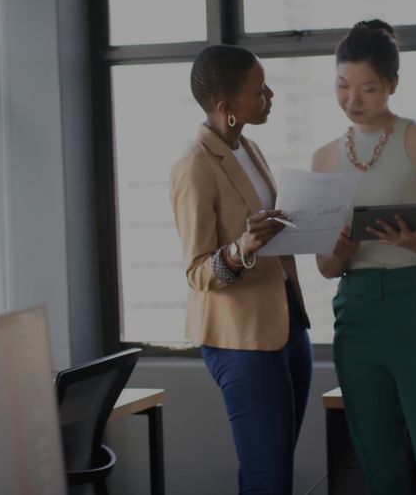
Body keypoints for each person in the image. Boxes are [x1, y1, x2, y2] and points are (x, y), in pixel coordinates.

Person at [312, 20, 416, 494]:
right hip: (356, 313)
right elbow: (324, 268)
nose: (352, 99)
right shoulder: (322, 158)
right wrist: (339, 254)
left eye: (367, 88)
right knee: (381, 472)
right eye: (342, 86)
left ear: (392, 86)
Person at [170, 44, 313, 494]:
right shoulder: (193, 167)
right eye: (260, 90)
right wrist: (244, 246)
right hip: (242, 341)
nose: (270, 95)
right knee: (269, 480)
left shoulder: (248, 148)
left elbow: (265, 230)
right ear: (226, 107)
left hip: (287, 325)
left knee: (269, 473)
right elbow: (196, 271)